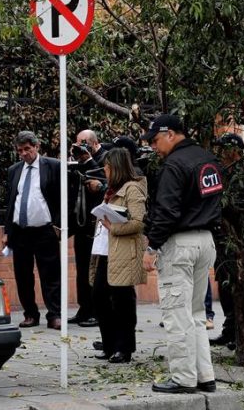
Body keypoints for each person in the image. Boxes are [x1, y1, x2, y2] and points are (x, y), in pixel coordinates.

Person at [141, 114, 223, 394]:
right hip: (205, 242)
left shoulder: (174, 165)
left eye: (155, 139)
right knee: (196, 313)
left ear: (171, 134)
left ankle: (183, 378)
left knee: (177, 315)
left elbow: (167, 211)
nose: (153, 146)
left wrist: (151, 247)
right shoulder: (207, 159)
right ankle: (205, 376)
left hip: (180, 245)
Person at [89, 148, 148, 364]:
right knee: (98, 296)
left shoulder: (132, 189)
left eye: (107, 166)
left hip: (123, 252)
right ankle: (109, 344)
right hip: (105, 250)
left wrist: (113, 226)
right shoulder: (111, 189)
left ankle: (124, 348)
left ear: (116, 168)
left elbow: (138, 222)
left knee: (122, 300)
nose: (104, 170)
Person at [3, 131, 63, 330]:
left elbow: (63, 197)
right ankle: (30, 313)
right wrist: (7, 231)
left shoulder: (52, 166)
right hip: (21, 231)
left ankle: (54, 314)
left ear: (36, 147)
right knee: (23, 274)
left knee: (50, 274)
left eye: (27, 149)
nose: (24, 154)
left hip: (45, 230)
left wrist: (58, 224)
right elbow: (11, 200)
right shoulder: (14, 170)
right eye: (20, 151)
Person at [209, 132, 244, 349]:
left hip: (239, 240)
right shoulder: (221, 172)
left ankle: (240, 333)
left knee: (238, 286)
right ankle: (229, 330)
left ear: (235, 151)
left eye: (224, 148)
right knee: (225, 285)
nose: (220, 153)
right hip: (222, 238)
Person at [69, 130, 107, 327]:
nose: (80, 147)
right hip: (82, 224)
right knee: (82, 270)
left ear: (94, 142)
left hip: (98, 225)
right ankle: (84, 309)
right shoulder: (80, 160)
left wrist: (89, 160)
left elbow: (104, 182)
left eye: (83, 143)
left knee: (95, 271)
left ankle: (95, 311)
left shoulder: (105, 157)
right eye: (77, 143)